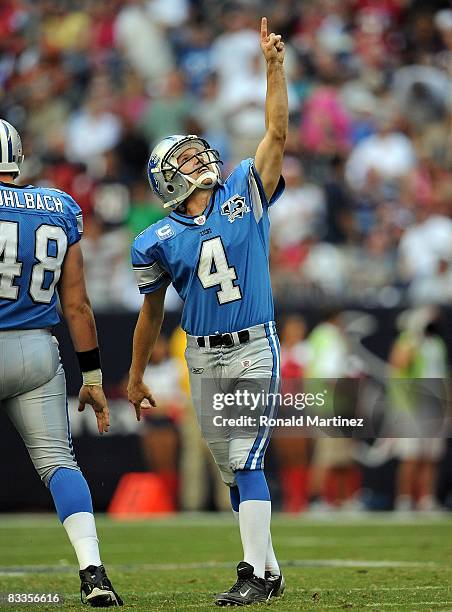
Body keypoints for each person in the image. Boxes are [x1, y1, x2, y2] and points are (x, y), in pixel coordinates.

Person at [128, 17, 287, 606]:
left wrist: (274, 66)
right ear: (168, 182)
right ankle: (269, 571)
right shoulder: (158, 239)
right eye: (187, 158)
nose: (201, 159)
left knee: (246, 457)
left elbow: (276, 131)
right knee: (231, 472)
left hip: (253, 345)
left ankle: (251, 576)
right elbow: (150, 315)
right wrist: (137, 372)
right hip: (200, 355)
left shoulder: (245, 188)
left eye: (199, 152)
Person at [0, 120, 122, 607]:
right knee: (58, 465)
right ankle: (93, 571)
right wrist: (91, 375)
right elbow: (77, 305)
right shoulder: (57, 206)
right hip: (37, 350)